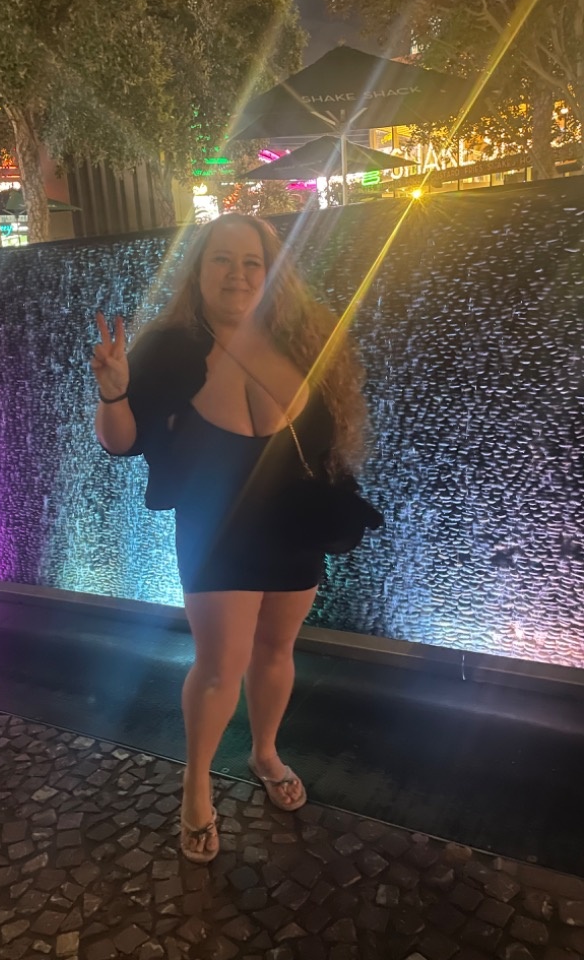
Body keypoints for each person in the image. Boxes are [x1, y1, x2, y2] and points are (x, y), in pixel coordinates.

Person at [91, 213, 372, 864]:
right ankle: (196, 786)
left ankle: (265, 753)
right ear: (198, 269)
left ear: (271, 274)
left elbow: (329, 438)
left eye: (252, 262)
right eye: (222, 259)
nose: (238, 274)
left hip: (292, 526)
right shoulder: (168, 349)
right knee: (220, 667)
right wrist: (113, 394)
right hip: (214, 531)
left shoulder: (304, 341)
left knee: (276, 650)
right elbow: (120, 443)